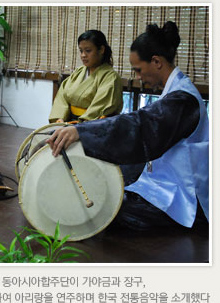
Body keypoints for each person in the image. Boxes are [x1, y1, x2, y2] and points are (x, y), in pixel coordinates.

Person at [46, 21, 209, 230]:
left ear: (156, 62)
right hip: (165, 174)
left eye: (139, 70)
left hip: (184, 192)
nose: (138, 78)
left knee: (106, 208)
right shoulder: (177, 89)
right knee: (109, 179)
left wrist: (81, 131)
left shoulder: (183, 100)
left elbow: (140, 125)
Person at [48, 29, 123, 123]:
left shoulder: (110, 77)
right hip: (68, 121)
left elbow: (100, 107)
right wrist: (60, 118)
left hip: (91, 125)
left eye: (88, 51)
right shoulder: (78, 72)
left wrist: (79, 124)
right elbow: (62, 96)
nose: (83, 55)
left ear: (101, 50)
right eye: (81, 51)